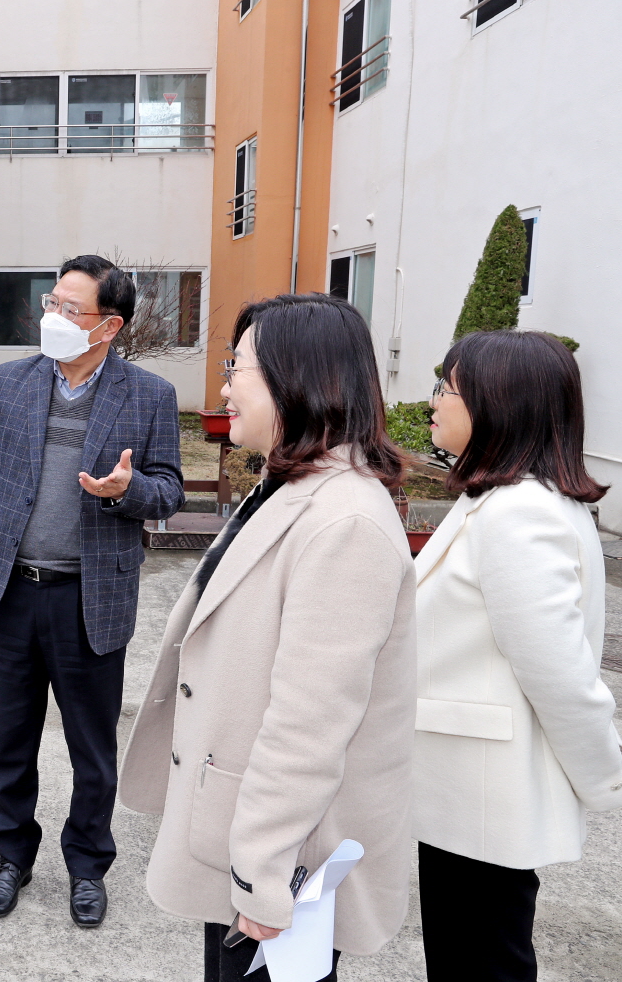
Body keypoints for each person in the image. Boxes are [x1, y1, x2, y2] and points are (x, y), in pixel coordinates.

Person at [119, 294, 416, 981]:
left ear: (298, 378)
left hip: (279, 852)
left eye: (238, 366)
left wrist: (260, 872)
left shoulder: (344, 521)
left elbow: (310, 723)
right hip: (239, 823)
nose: (224, 386)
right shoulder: (289, 486)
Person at [0, 254, 185, 927]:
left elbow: (167, 490)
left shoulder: (149, 396)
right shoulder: (12, 383)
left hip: (91, 600)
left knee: (92, 747)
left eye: (70, 310)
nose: (53, 317)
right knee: (8, 738)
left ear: (108, 327)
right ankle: (11, 857)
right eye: (51, 304)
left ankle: (87, 865)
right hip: (13, 594)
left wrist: (126, 491)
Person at [416, 330, 622, 982]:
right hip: (466, 795)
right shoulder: (503, 500)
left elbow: (558, 675)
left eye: (448, 389)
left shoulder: (519, 514)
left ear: (499, 403)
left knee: (481, 964)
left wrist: (604, 778)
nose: (434, 403)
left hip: (483, 800)